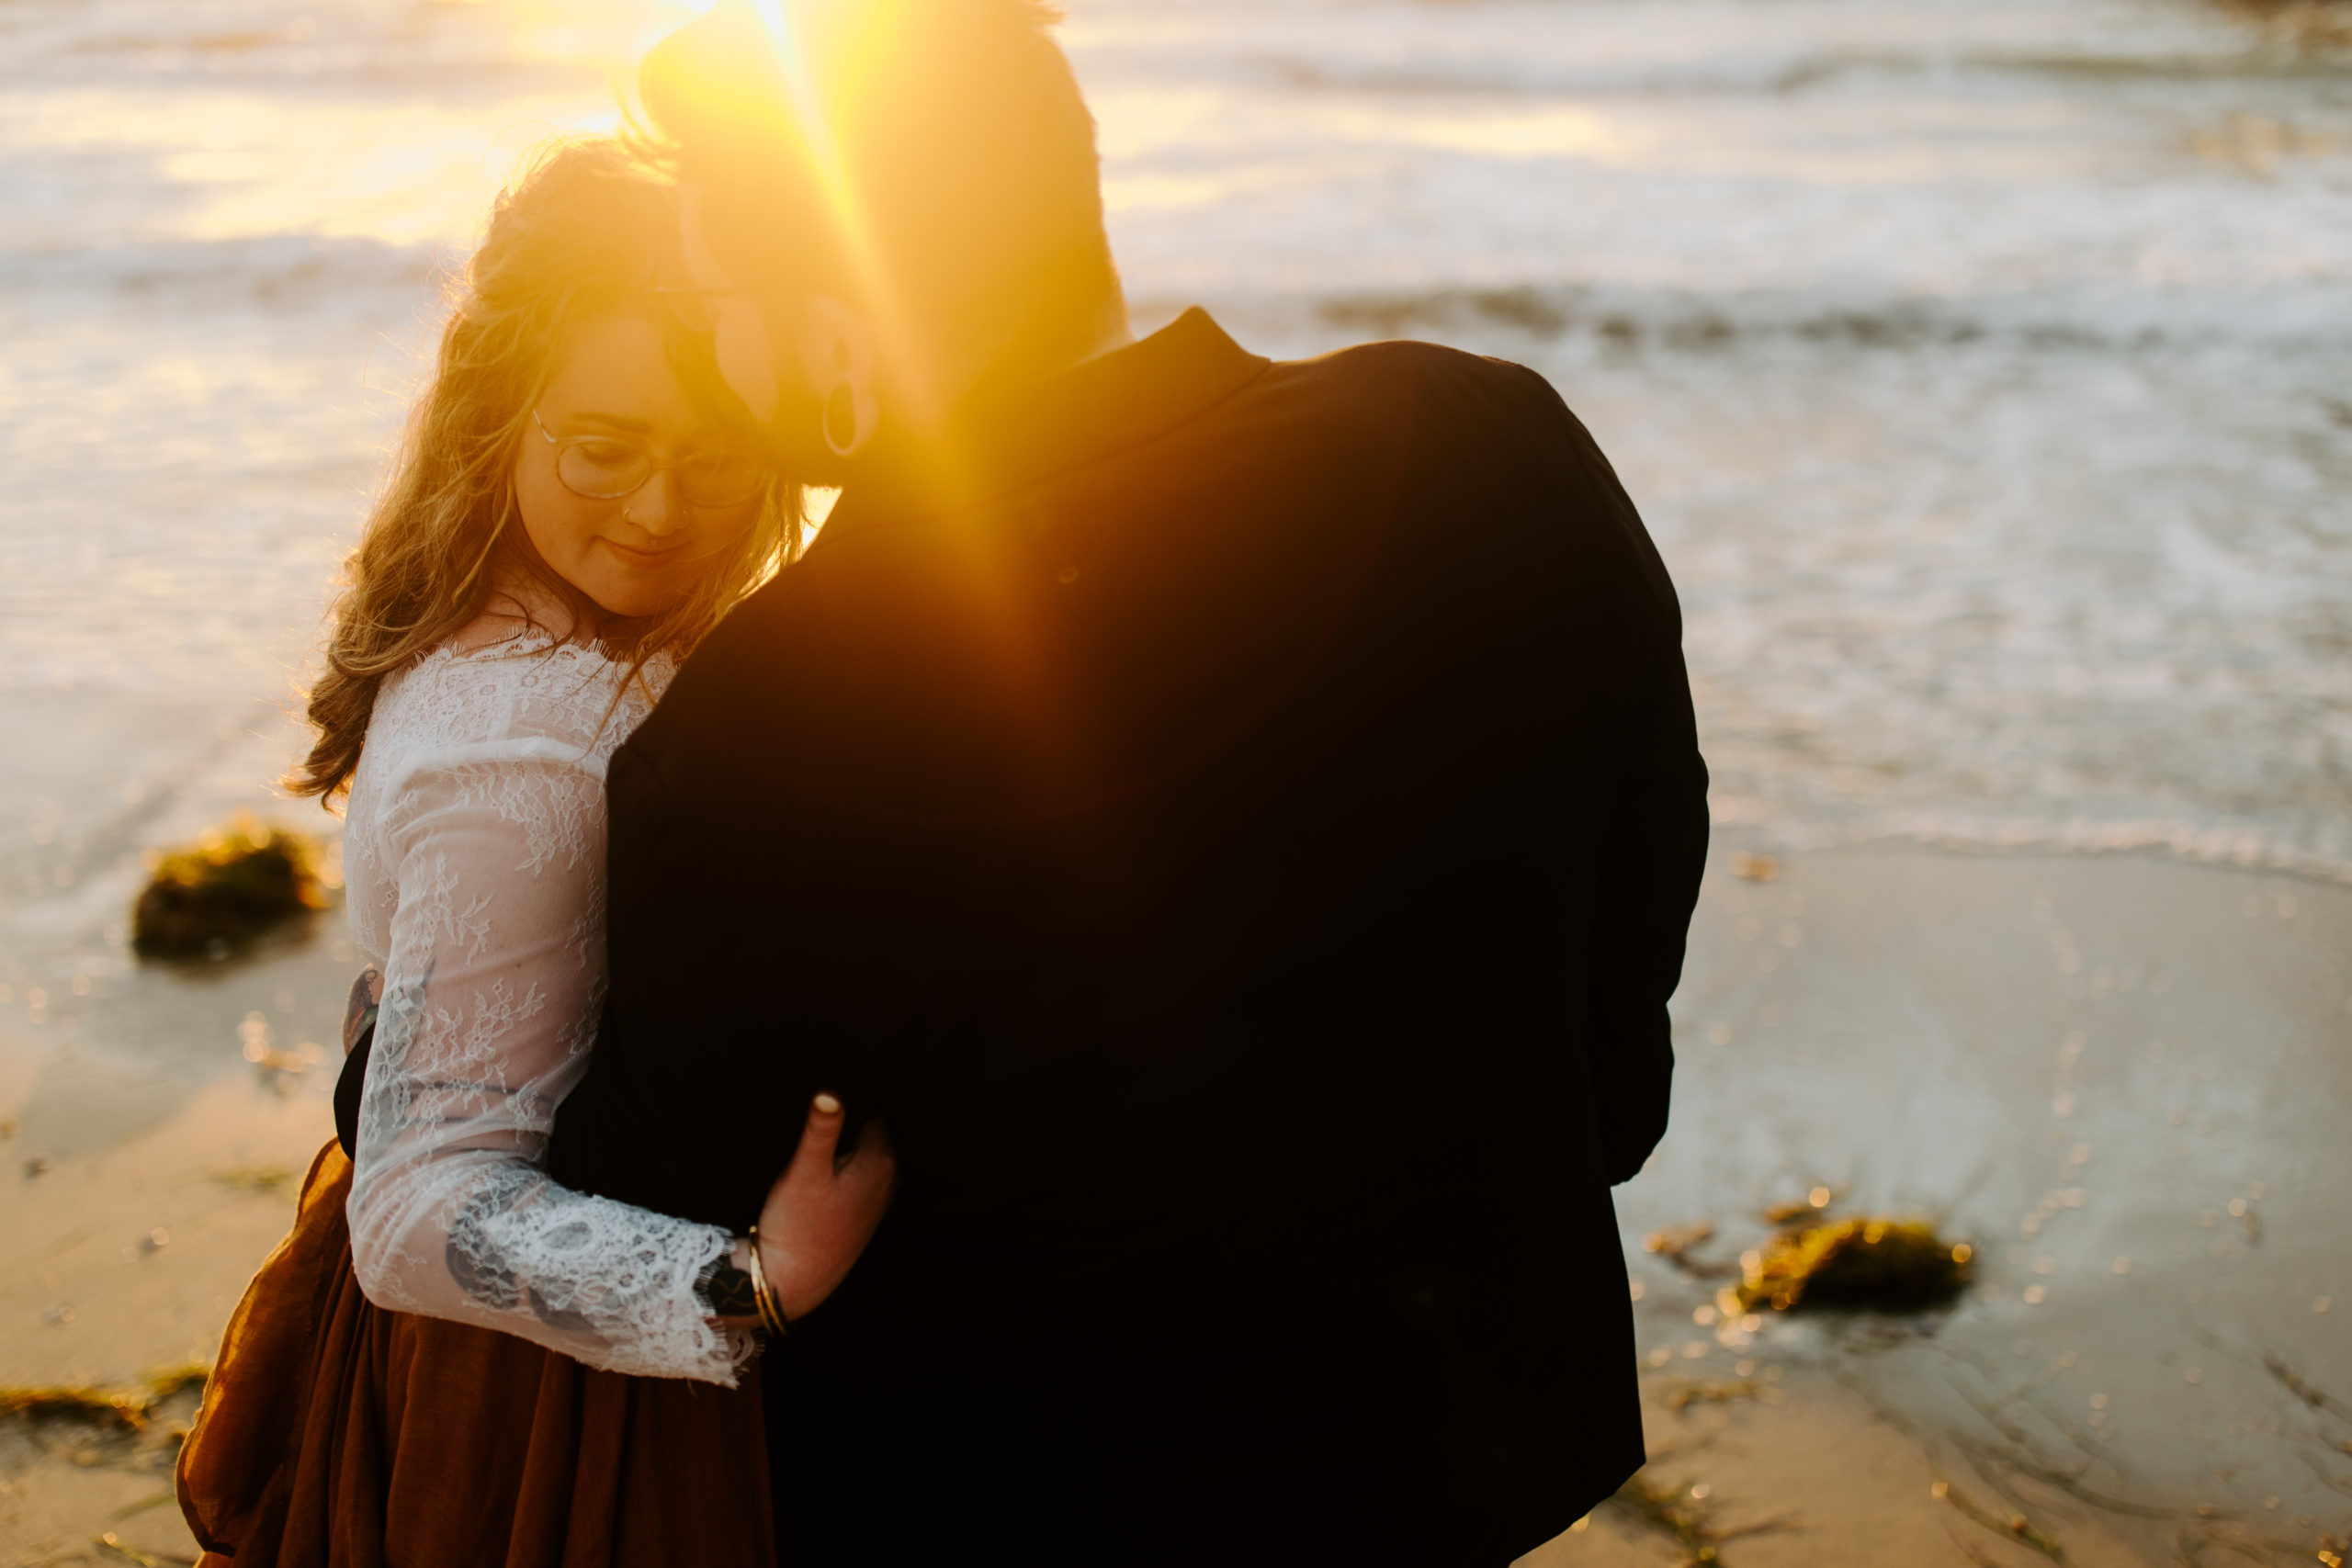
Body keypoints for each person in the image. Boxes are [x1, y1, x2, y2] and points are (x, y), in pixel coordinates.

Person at [545, 3, 1712, 1562]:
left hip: (1020, 1510)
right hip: (1467, 1450)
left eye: (715, 304)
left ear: (834, 321)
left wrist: (390, 1062)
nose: (710, 353)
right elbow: (1632, 941)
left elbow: (654, 1201)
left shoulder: (765, 716)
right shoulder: (1489, 437)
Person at [175, 138, 896, 1568]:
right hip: (549, 1391)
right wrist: (751, 1282)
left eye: (714, 453)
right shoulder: (532, 754)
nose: (657, 511)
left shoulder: (517, 607)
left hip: (498, 1336)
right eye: (604, 447)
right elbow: (417, 1211)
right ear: (501, 418)